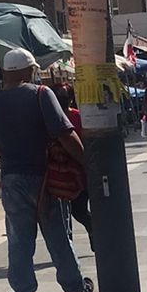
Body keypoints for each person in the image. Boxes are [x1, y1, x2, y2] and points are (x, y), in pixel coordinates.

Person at [0, 49, 93, 292]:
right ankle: (74, 291)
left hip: (12, 179)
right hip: (45, 178)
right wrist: (87, 163)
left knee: (19, 243)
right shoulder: (41, 94)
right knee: (58, 236)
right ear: (27, 70)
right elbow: (65, 134)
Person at [51, 83, 93, 250]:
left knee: (76, 211)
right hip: (63, 172)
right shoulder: (51, 118)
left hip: (75, 172)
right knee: (67, 214)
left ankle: (91, 231)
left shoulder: (78, 117)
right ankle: (69, 248)